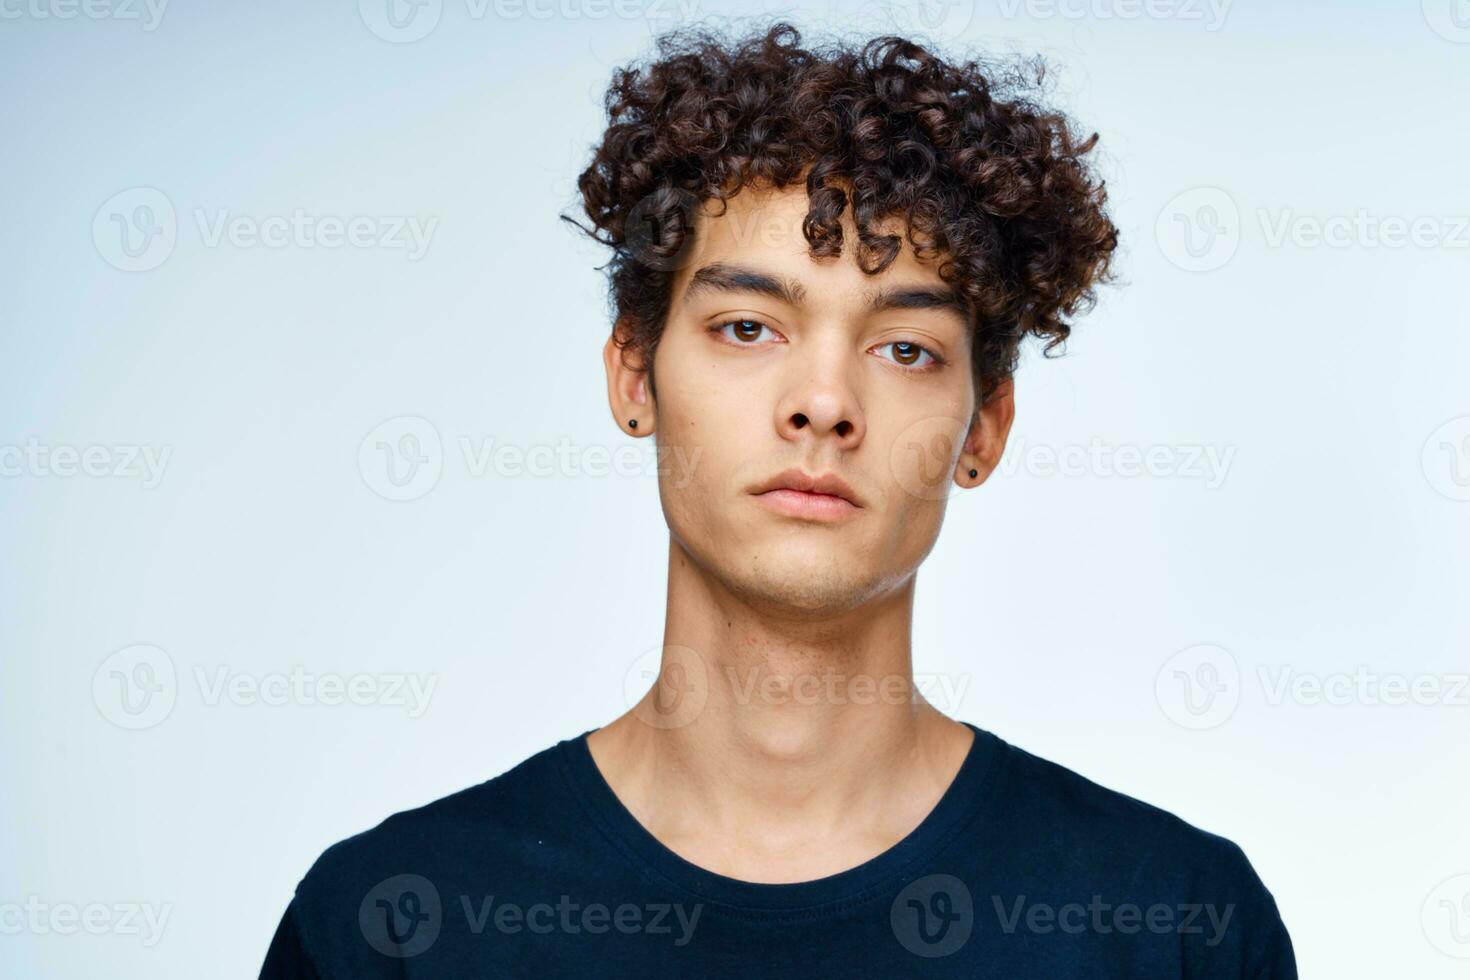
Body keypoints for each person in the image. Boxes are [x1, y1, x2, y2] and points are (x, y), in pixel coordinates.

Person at [260, 21, 1295, 977]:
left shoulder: (1173, 923)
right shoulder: (388, 923)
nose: (824, 403)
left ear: (984, 428)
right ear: (634, 374)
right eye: (749, 327)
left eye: (905, 347)